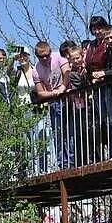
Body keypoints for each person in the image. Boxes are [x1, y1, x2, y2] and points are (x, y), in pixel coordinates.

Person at [33, 40, 73, 170]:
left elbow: (67, 73)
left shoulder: (59, 57)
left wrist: (62, 87)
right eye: (41, 56)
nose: (45, 58)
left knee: (72, 131)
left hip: (69, 97)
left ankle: (73, 161)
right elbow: (40, 93)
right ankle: (63, 164)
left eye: (47, 55)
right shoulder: (36, 70)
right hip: (54, 102)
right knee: (58, 133)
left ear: (50, 52)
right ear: (37, 56)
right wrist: (54, 93)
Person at [90, 24, 112, 160]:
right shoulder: (107, 51)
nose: (110, 40)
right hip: (106, 85)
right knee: (108, 121)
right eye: (107, 39)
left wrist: (104, 73)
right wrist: (102, 76)